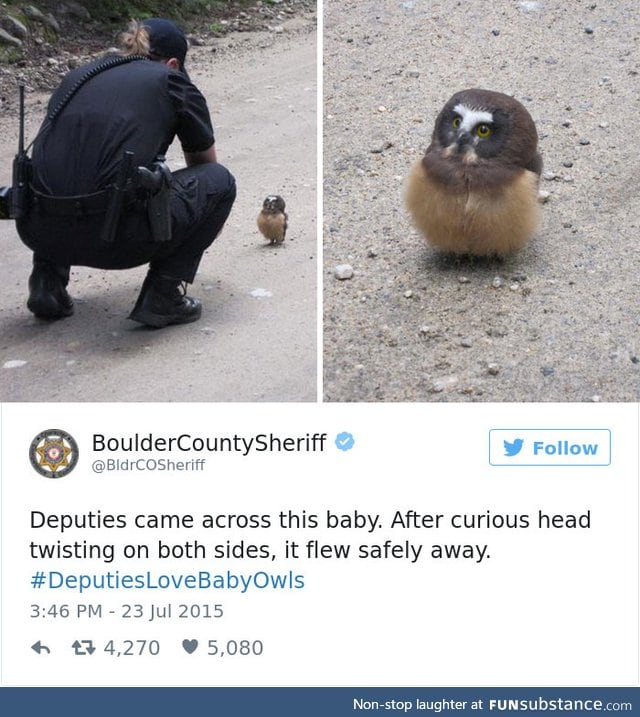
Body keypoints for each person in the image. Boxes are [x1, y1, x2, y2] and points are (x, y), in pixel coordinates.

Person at [16, 17, 236, 328]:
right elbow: (205, 165)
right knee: (220, 182)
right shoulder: (172, 81)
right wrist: (204, 219)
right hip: (116, 240)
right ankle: (163, 296)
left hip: (38, 231)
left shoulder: (77, 77)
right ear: (173, 63)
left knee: (70, 169)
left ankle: (46, 285)